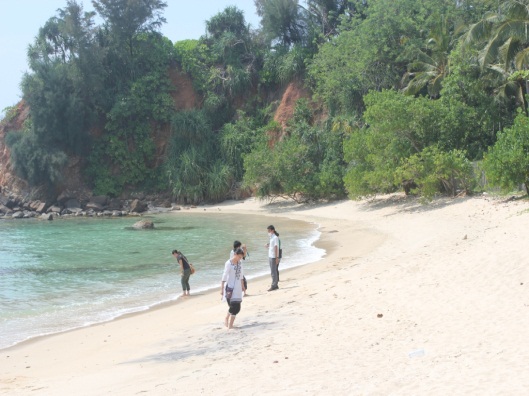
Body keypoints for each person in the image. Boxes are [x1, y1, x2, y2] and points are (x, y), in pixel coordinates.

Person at [221, 248, 246, 330]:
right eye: (239, 257)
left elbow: (241, 275)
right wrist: (221, 288)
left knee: (238, 308)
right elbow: (224, 276)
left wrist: (243, 286)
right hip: (230, 288)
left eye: (241, 257)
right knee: (233, 306)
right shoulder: (228, 263)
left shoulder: (240, 263)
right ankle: (229, 323)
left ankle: (229, 321)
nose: (240, 258)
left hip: (238, 288)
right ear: (235, 254)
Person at [266, 225, 279, 291]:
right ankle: (275, 284)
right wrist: (268, 246)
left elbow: (276, 247)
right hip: (271, 256)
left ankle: (274, 285)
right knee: (273, 271)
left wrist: (277, 257)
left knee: (273, 272)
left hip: (273, 256)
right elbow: (272, 247)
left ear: (272, 230)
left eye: (269, 231)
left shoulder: (275, 237)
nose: (268, 232)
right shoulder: (271, 237)